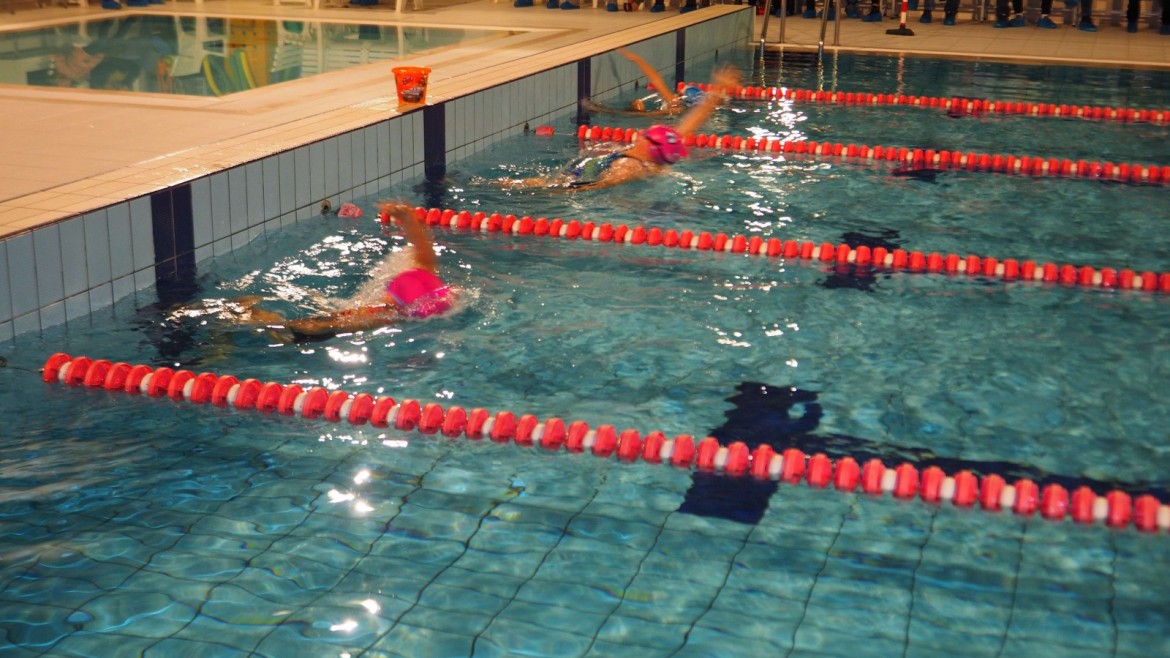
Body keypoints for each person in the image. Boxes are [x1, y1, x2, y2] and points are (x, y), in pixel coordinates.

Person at [501, 63, 740, 191]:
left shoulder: (628, 167)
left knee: (528, 184)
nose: (642, 132)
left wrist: (556, 193)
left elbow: (597, 187)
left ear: (649, 146)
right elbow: (686, 129)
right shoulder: (655, 158)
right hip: (582, 172)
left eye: (647, 134)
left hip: (575, 181)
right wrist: (717, 93)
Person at [239, 202, 453, 339]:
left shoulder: (388, 310)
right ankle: (258, 318)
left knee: (303, 328)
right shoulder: (433, 300)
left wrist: (407, 219)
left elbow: (424, 252)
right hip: (413, 301)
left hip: (412, 289)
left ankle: (254, 316)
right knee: (320, 323)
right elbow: (424, 254)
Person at [582, 48, 703, 117]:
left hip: (645, 117)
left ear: (684, 102)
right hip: (650, 114)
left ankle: (600, 110)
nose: (676, 94)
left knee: (637, 105)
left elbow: (646, 115)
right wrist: (637, 59)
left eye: (679, 95)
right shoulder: (674, 102)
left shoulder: (675, 109)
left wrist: (602, 110)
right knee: (637, 103)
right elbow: (656, 79)